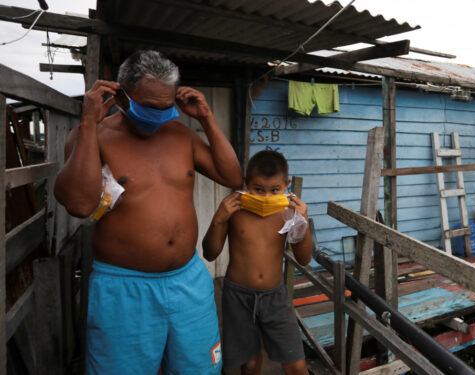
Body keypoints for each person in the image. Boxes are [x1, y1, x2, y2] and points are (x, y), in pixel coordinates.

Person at [54, 50, 243, 374]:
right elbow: (79, 204)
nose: (158, 115)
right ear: (122, 96)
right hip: (124, 289)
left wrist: (207, 118)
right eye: (149, 107)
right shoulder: (94, 136)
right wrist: (87, 122)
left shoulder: (181, 135)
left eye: (165, 108)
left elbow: (232, 176)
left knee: (199, 369)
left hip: (188, 282)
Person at [203, 150, 313, 375]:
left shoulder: (289, 213)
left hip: (276, 297)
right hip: (238, 297)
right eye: (258, 190)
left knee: (296, 365)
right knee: (250, 364)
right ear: (246, 184)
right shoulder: (234, 210)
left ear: (286, 185)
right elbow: (210, 253)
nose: (265, 197)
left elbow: (304, 259)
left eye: (275, 190)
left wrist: (302, 223)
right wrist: (218, 218)